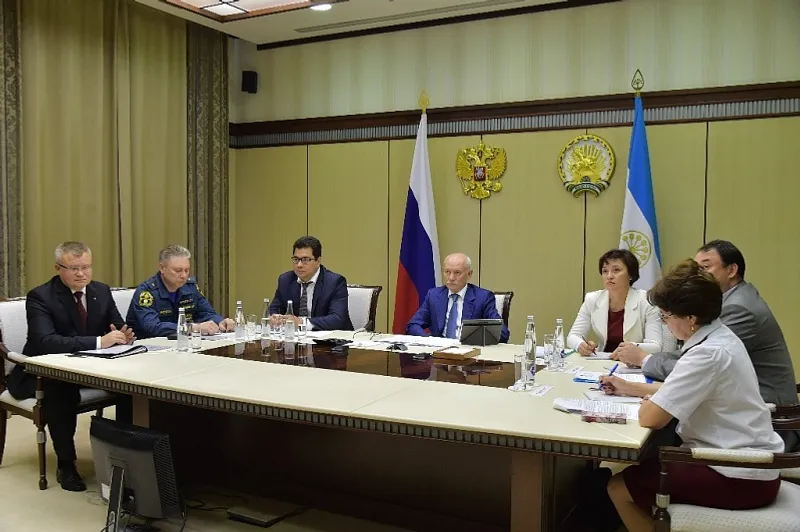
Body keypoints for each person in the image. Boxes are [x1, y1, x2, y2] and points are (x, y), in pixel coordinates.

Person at [602, 260, 784, 532]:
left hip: (737, 474)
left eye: (666, 316)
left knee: (619, 486)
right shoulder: (721, 336)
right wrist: (630, 388)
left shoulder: (705, 354)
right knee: (644, 467)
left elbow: (650, 418)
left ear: (691, 318)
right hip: (750, 464)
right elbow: (688, 390)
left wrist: (649, 403)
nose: (665, 323)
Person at [6, 241, 135, 491]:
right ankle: (66, 464)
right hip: (42, 372)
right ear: (58, 268)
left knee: (132, 387)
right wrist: (99, 341)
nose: (81, 274)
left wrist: (124, 335)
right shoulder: (40, 296)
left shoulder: (101, 291)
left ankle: (125, 458)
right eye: (74, 268)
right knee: (60, 390)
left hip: (91, 368)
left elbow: (116, 325)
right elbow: (45, 341)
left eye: (86, 267)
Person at [614, 240, 797, 406]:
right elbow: (691, 355)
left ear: (731, 270)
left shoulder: (738, 308)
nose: (697, 275)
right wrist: (648, 360)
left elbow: (696, 365)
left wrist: (644, 359)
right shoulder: (731, 299)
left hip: (768, 406)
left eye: (705, 268)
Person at [566, 249, 662, 356]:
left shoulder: (647, 301)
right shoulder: (592, 299)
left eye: (616, 270)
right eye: (605, 271)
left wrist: (629, 348)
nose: (609, 276)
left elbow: (655, 346)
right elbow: (573, 336)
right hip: (602, 359)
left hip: (634, 362)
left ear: (630, 275)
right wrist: (581, 345)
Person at [127, 245, 234, 338]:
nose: (183, 275)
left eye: (186, 270)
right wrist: (193, 328)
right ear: (162, 268)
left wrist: (220, 322)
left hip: (182, 343)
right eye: (178, 270)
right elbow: (152, 327)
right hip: (150, 347)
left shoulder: (190, 287)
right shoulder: (146, 292)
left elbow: (206, 313)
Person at [406, 253, 509, 343]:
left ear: (469, 274)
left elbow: (502, 333)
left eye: (457, 272)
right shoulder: (433, 295)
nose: (451, 278)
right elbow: (413, 325)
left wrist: (473, 341)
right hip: (438, 352)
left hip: (468, 352)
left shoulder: (483, 298)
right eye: (447, 271)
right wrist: (428, 340)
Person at [268, 236, 353, 331]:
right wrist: (275, 318)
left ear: (318, 261)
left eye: (305, 260)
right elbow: (275, 309)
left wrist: (301, 322)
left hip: (330, 338)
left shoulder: (335, 282)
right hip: (296, 337)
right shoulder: (286, 280)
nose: (299, 265)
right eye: (296, 259)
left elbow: (338, 319)